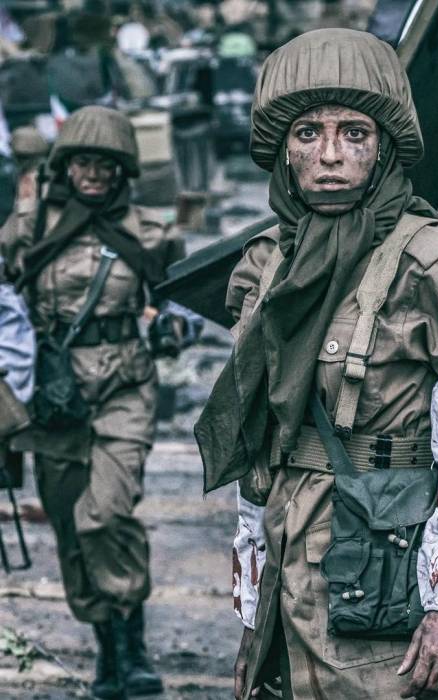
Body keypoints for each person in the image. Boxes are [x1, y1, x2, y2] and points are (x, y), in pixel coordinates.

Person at [195, 29, 438, 700]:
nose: (329, 156)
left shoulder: (432, 263)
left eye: (354, 133)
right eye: (307, 134)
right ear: (283, 151)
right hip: (294, 576)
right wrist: (254, 615)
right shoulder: (268, 265)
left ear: (384, 148)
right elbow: (259, 448)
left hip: (392, 582)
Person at [0, 105, 187, 699]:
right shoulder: (30, 225)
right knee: (70, 528)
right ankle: (107, 647)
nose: (95, 175)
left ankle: (133, 645)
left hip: (123, 388)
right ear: (65, 165)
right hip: (53, 397)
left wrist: (174, 326)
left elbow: (179, 295)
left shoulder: (149, 231)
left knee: (105, 515)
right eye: (84, 162)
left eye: (107, 165)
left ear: (123, 170)